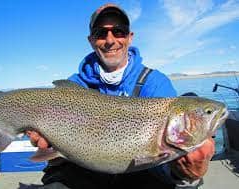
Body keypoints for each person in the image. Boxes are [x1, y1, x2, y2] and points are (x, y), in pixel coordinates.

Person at [27, 3, 215, 189]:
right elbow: (56, 152)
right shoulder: (76, 86)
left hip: (139, 174)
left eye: (119, 31)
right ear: (91, 40)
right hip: (84, 171)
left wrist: (179, 172)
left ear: (129, 37)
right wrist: (50, 148)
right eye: (101, 33)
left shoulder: (155, 84)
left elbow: (161, 162)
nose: (110, 40)